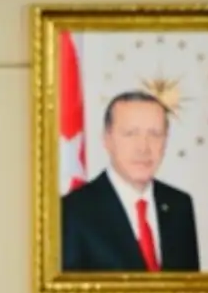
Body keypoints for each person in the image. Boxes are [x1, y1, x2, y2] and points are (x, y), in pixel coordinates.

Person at [60, 90, 200, 272]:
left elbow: (190, 286)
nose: (143, 147)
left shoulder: (179, 205)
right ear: (107, 139)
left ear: (166, 141)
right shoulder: (73, 211)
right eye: (130, 133)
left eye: (155, 134)